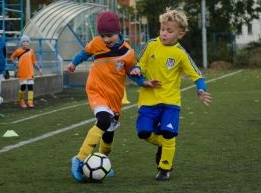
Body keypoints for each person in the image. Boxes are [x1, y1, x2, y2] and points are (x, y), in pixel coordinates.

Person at [67, 11, 158, 182]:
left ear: (118, 31)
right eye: (103, 35)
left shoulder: (128, 52)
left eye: (110, 35)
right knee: (103, 121)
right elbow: (84, 53)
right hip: (96, 90)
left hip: (115, 98)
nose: (106, 39)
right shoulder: (96, 43)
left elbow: (132, 71)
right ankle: (79, 159)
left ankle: (102, 161)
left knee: (109, 135)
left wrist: (143, 81)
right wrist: (73, 63)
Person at [129, 8, 212, 181]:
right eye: (162, 29)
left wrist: (201, 89)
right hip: (148, 100)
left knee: (168, 134)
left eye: (169, 30)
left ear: (180, 34)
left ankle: (164, 168)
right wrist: (137, 71)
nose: (164, 33)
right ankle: (164, 145)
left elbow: (197, 75)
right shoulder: (151, 44)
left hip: (170, 103)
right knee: (143, 132)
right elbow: (140, 64)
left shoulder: (180, 54)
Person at [10, 35, 42, 108]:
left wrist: (39, 68)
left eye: (27, 41)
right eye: (23, 41)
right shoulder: (18, 51)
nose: (25, 43)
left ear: (28, 43)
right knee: (23, 87)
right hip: (22, 72)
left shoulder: (31, 51)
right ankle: (21, 101)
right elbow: (11, 58)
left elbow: (34, 61)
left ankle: (30, 102)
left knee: (30, 87)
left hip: (30, 72)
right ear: (21, 43)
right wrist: (16, 63)